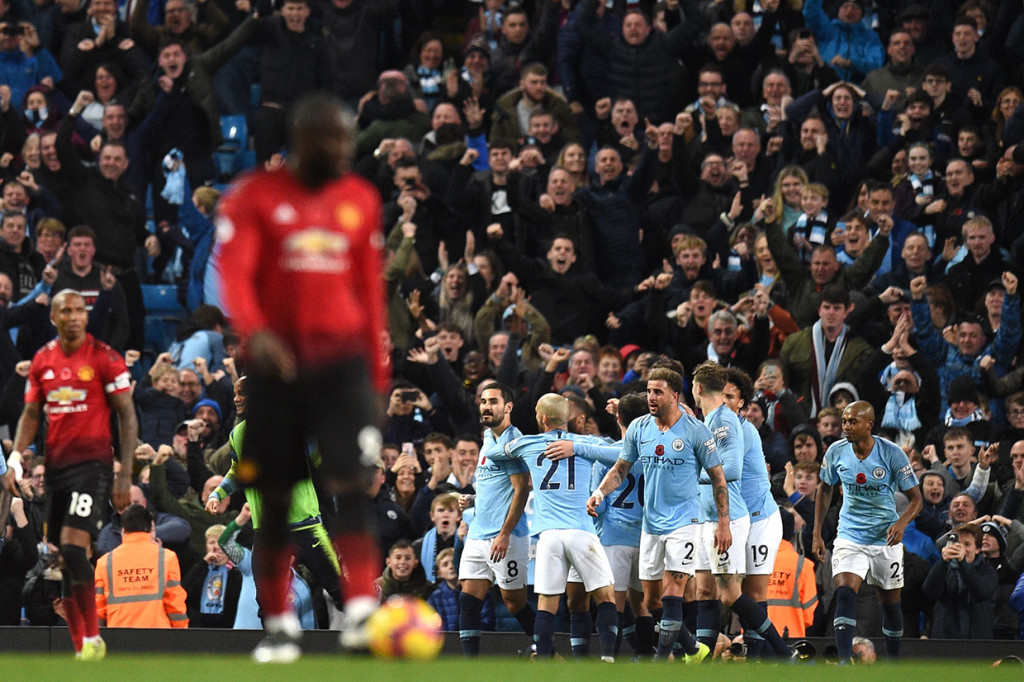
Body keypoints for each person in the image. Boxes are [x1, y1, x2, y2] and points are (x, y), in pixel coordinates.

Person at [216, 93, 387, 662]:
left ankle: (361, 612)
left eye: (347, 142)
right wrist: (254, 330)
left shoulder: (360, 199)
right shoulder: (255, 196)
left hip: (340, 369)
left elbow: (371, 293)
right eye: (331, 141)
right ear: (303, 139)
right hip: (275, 368)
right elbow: (234, 274)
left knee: (351, 484)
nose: (341, 152)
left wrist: (376, 381)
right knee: (273, 492)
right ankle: (280, 626)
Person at [2, 289, 136, 660]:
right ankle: (81, 647)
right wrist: (15, 460)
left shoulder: (106, 358)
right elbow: (30, 414)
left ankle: (92, 638)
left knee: (76, 549)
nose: (74, 316)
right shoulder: (43, 360)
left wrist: (125, 474)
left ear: (86, 315)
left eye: (80, 309)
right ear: (54, 317)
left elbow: (127, 414)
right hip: (56, 469)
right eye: (66, 310)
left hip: (92, 468)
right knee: (60, 559)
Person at [588, 367, 729, 663]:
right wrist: (600, 492)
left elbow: (718, 478)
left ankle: (661, 662)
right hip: (650, 526)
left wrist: (723, 523)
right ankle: (692, 650)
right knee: (651, 601)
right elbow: (621, 468)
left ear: (674, 396)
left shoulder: (695, 431)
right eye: (649, 391)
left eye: (658, 392)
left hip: (684, 523)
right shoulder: (640, 427)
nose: (651, 397)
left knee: (673, 590)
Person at [205, 375, 343, 612]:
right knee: (266, 600)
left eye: (242, 393)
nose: (236, 399)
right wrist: (217, 494)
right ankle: (274, 644)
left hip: (306, 525)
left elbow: (323, 461)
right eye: (235, 393)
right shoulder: (238, 434)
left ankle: (374, 640)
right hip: (267, 530)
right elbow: (238, 470)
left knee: (339, 589)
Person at [498, 393, 619, 661]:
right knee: (605, 595)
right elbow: (623, 453)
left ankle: (544, 662)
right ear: (568, 419)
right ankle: (609, 660)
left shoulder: (527, 444)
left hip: (548, 536)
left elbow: (498, 453)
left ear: (542, 418)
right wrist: (579, 448)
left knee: (547, 603)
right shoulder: (586, 442)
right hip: (581, 531)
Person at [690, 362, 791, 658]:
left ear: (742, 403)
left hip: (758, 518)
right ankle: (705, 657)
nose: (725, 402)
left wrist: (686, 473)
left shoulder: (737, 429)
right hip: (723, 517)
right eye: (722, 395)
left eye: (731, 397)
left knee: (752, 594)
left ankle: (764, 659)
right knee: (707, 592)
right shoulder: (711, 424)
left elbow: (726, 470)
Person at [812, 401, 923, 664]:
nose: (846, 426)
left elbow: (916, 500)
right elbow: (825, 489)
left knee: (890, 604)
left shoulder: (892, 453)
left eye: (852, 421)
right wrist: (817, 532)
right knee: (844, 593)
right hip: (850, 535)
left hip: (885, 538)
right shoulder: (836, 452)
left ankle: (894, 664)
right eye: (845, 421)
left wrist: (901, 523)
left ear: (868, 425)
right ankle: (843, 664)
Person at [457, 382, 534, 657]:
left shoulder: (512, 443)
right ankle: (471, 667)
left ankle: (546, 650)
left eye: (493, 402)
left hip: (506, 536)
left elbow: (522, 489)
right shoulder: (488, 437)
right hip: (478, 534)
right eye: (483, 401)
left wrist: (504, 534)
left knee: (514, 603)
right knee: (468, 599)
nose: (486, 407)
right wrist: (473, 499)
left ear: (508, 407)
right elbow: (495, 486)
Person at [94, 503, 189, 629]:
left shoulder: (105, 562)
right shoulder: (167, 558)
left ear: (123, 531)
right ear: (151, 530)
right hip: (158, 637)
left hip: (118, 639)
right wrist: (182, 633)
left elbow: (98, 609)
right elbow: (175, 603)